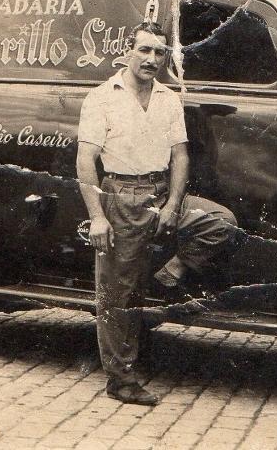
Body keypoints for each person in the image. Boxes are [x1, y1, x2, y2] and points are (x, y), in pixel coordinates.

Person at [76, 21, 237, 406]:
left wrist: (172, 205)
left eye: (159, 52)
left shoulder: (167, 98)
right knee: (119, 293)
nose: (151, 59)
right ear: (128, 51)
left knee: (221, 223)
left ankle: (172, 271)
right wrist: (98, 216)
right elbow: (86, 159)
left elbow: (181, 155)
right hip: (121, 197)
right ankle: (121, 380)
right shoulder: (102, 97)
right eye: (144, 50)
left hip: (160, 192)